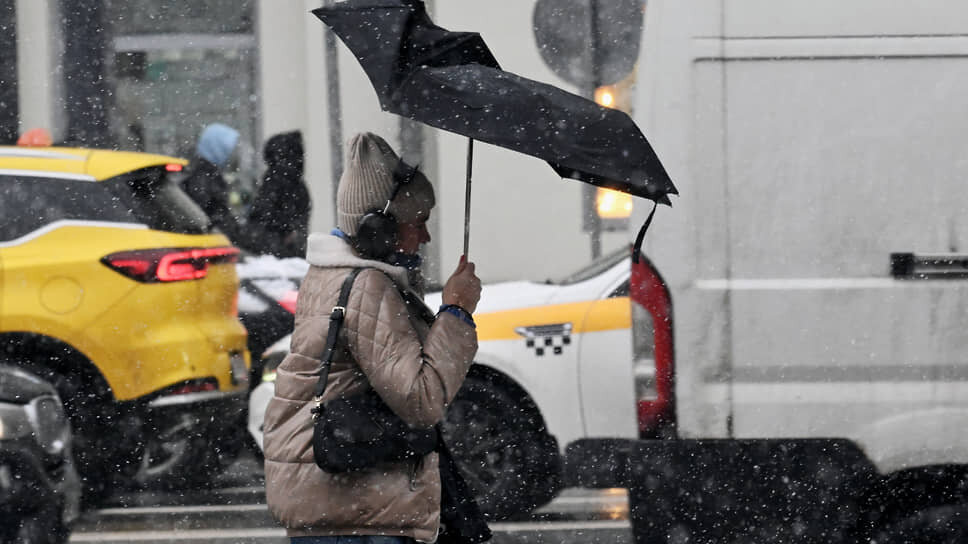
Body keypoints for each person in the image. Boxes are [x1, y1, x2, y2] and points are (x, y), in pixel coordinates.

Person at [263, 132, 482, 544]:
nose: (426, 237)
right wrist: (456, 312)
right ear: (377, 230)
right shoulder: (366, 286)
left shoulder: (332, 273)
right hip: (355, 514)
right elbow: (422, 400)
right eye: (418, 223)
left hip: (337, 500)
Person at [244, 130, 311, 257]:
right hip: (294, 251)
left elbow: (262, 213)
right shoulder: (299, 184)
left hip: (273, 252)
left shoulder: (274, 180)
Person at [181, 122, 240, 234]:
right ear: (218, 147)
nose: (232, 153)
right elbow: (207, 213)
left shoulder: (209, 172)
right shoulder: (205, 175)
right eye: (228, 148)